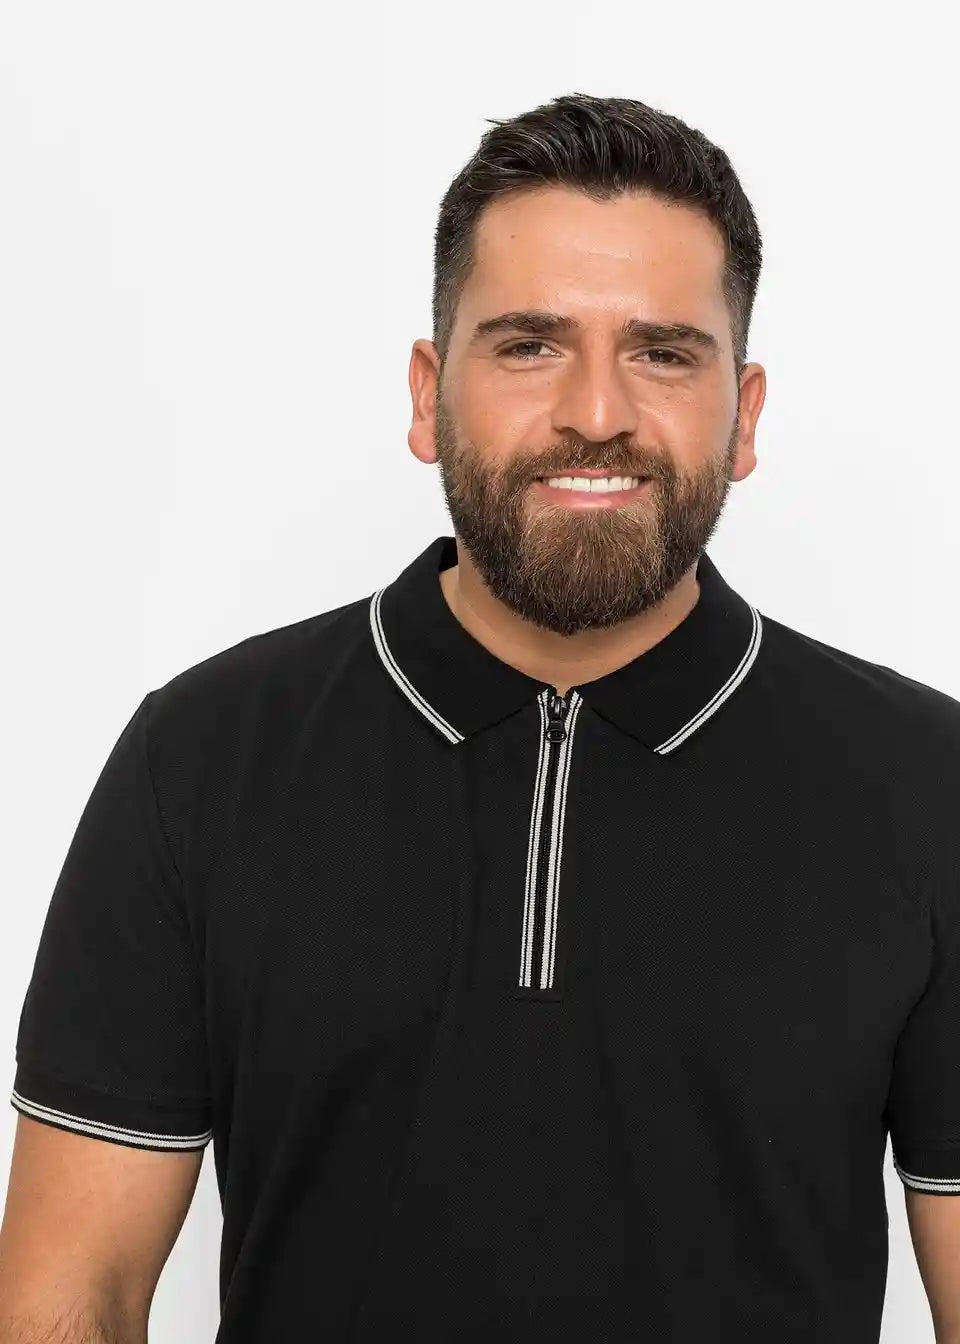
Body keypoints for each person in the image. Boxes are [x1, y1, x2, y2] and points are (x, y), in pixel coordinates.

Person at [1, 91, 959, 1344]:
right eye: (529, 345)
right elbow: (73, 1294)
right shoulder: (200, 759)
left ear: (746, 415)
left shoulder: (929, 787)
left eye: (664, 353)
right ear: (426, 394)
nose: (598, 413)